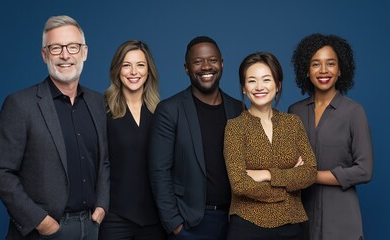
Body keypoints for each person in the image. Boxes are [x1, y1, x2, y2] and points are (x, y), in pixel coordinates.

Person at [0, 15, 110, 240]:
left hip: (91, 228)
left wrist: (101, 206)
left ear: (84, 52)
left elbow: (103, 161)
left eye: (73, 47)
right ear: (44, 55)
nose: (65, 55)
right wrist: (40, 222)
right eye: (55, 48)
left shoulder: (97, 102)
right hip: (45, 231)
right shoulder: (20, 104)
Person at [148, 36, 244, 240]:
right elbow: (159, 171)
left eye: (212, 60)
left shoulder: (238, 109)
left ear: (222, 64)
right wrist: (175, 225)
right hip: (191, 223)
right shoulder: (170, 110)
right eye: (198, 61)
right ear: (186, 68)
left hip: (234, 221)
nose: (206, 66)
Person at [288, 34, 373, 240]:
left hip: (342, 222)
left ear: (340, 69)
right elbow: (288, 162)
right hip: (302, 219)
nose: (323, 70)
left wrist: (311, 175)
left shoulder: (354, 112)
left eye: (331, 63)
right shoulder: (295, 112)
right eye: (316, 64)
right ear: (306, 71)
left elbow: (364, 170)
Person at [224, 52, 317, 240]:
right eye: (251, 81)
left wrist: (267, 175)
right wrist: (288, 183)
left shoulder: (293, 123)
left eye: (266, 80)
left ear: (278, 84)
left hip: (292, 224)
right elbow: (239, 184)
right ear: (243, 87)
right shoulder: (234, 127)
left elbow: (310, 172)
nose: (259, 87)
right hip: (247, 225)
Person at [98, 40, 166, 240]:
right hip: (114, 216)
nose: (133, 72)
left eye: (140, 65)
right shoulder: (101, 109)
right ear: (117, 70)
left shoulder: (162, 112)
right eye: (126, 65)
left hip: (155, 219)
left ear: (148, 71)